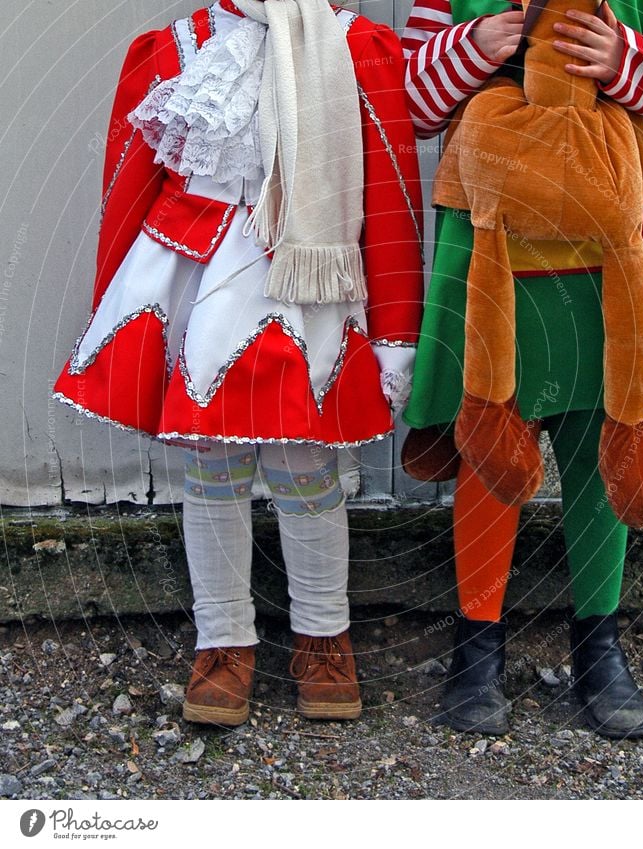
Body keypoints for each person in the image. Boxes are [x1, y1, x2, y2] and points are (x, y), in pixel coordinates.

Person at [52, 0, 423, 726]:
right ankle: (222, 642)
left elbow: (390, 195)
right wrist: (114, 307)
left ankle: (324, 634)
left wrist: (396, 331)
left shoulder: (360, 48)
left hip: (308, 278)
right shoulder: (176, 47)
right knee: (212, 465)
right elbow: (129, 187)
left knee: (306, 464)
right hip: (199, 281)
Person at [400, 0, 643, 738]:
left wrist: (623, 59)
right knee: (490, 423)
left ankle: (598, 643)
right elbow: (412, 103)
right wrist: (475, 44)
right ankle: (475, 647)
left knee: (604, 421)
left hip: (614, 231)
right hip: (486, 232)